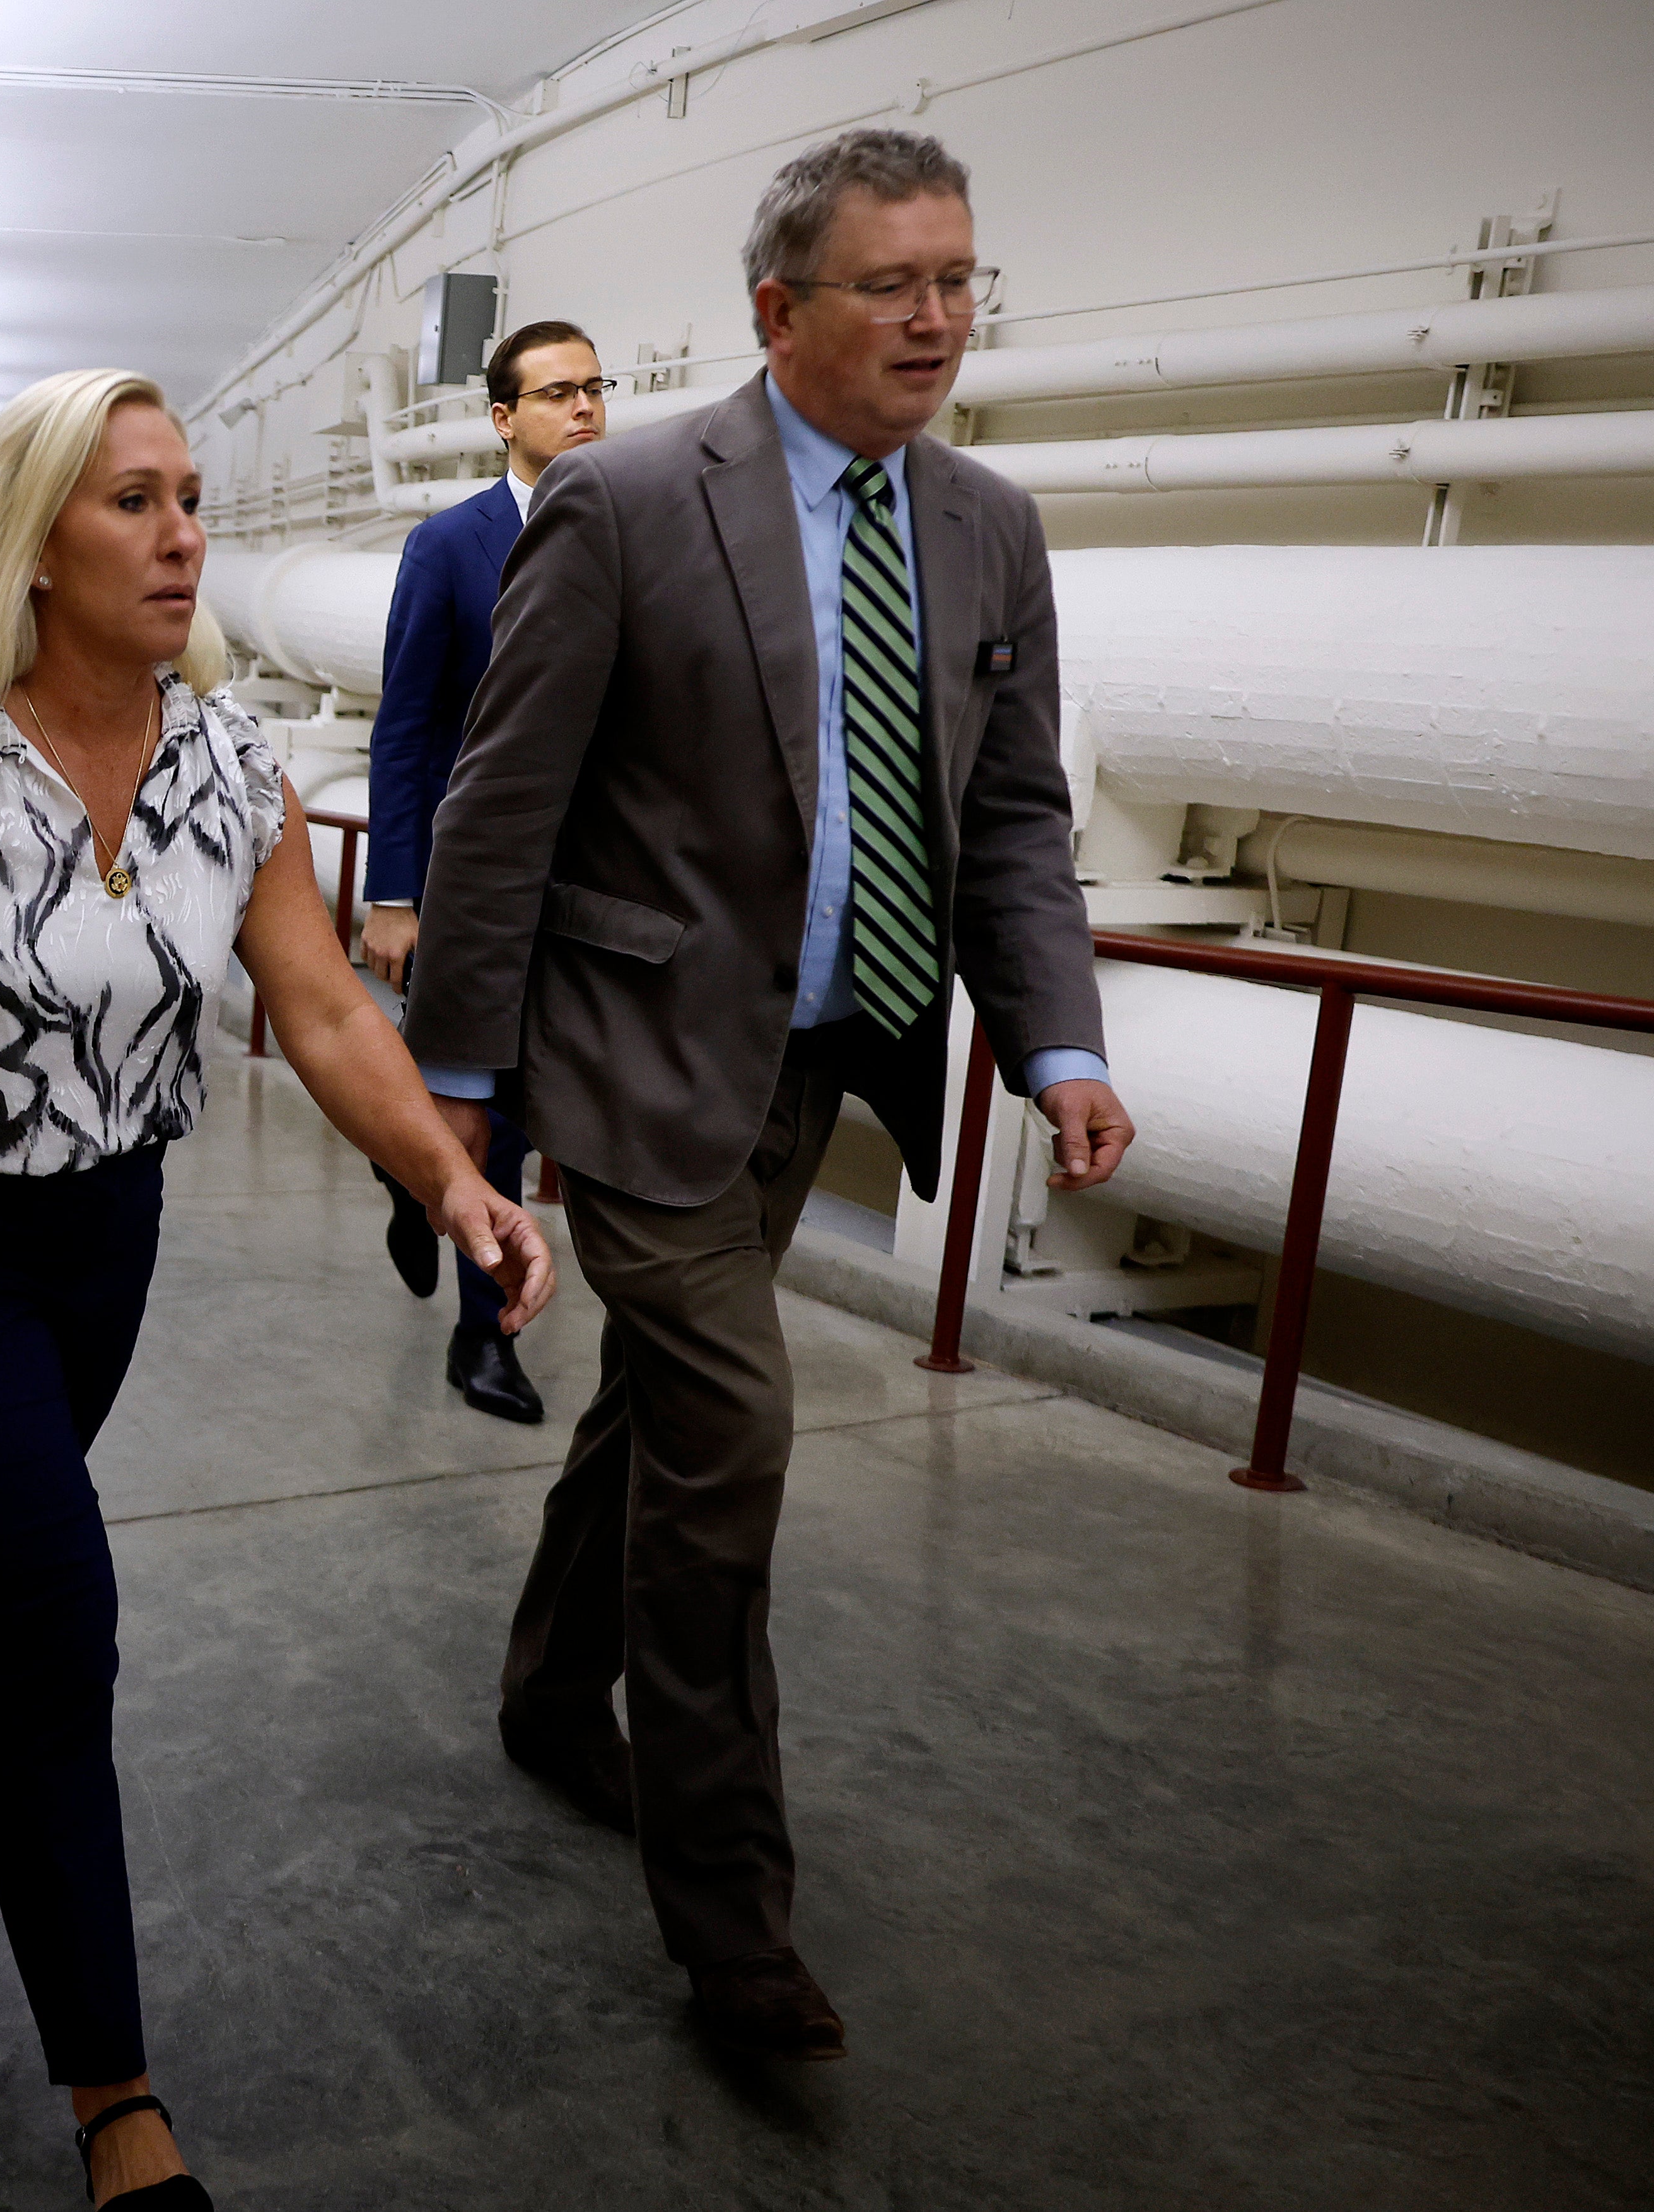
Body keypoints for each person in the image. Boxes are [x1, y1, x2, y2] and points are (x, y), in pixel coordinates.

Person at [0, 370, 555, 2209]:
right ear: (38, 541)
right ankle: (115, 2098)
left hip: (103, 1237)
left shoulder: (235, 771)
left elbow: (314, 1005)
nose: (177, 534)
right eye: (130, 501)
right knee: (53, 1606)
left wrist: (453, 1176)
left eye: (186, 498)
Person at [401, 128, 1136, 2064]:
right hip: (637, 1063)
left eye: (956, 279)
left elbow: (1005, 819)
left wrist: (1055, 1040)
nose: (932, 317)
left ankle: (554, 1692)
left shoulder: (986, 527)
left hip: (819, 1069)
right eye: (889, 282)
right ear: (773, 310)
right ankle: (731, 1922)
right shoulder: (628, 502)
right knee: (733, 1428)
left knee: (655, 1400)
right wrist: (455, 1095)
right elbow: (502, 806)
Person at [361, 317, 610, 1425]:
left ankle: (413, 1180)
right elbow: (405, 730)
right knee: (492, 1117)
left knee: (552, 1105)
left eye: (597, 389)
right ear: (504, 419)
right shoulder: (449, 547)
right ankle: (484, 1336)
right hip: (475, 888)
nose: (587, 408)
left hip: (596, 884)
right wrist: (394, 893)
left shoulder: (635, 535)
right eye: (559, 393)